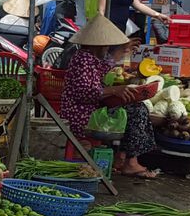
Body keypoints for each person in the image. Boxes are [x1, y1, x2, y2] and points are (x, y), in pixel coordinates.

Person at [58, 16, 159, 176]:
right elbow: (85, 91)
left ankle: (122, 156)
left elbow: (106, 65)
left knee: (136, 107)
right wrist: (114, 91)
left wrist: (124, 50)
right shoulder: (83, 59)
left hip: (90, 110)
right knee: (136, 111)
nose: (109, 47)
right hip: (81, 116)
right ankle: (130, 162)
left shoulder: (90, 58)